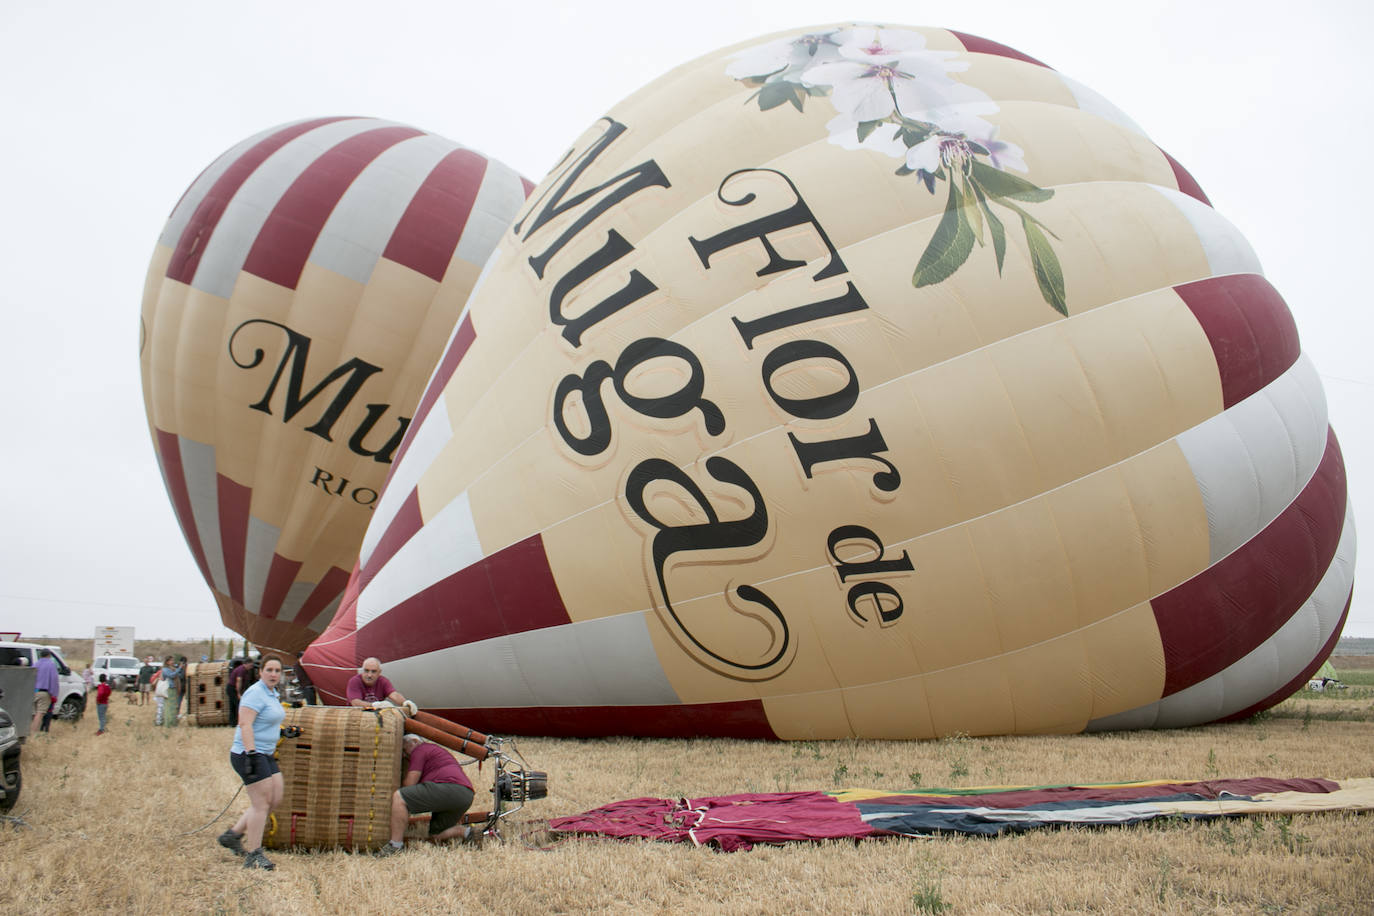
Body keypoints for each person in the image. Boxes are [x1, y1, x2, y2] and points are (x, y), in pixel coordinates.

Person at [217, 656, 287, 870]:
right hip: (249, 754)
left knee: (275, 798)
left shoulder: (272, 694)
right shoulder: (255, 693)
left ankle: (233, 835)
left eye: (277, 670)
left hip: (265, 753)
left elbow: (267, 722)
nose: (273, 674)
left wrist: (284, 732)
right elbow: (245, 724)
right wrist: (252, 754)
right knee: (261, 804)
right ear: (260, 672)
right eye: (269, 670)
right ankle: (254, 854)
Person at [374, 734, 478, 856]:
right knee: (437, 835)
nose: (403, 754)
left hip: (449, 788)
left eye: (404, 749)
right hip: (465, 795)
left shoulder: (420, 750)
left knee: (400, 797)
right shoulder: (434, 751)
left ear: (414, 741)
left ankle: (395, 845)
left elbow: (409, 784)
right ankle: (467, 833)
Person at [347, 658, 414, 713]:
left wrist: (405, 702)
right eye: (366, 671)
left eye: (373, 671)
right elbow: (355, 703)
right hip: (356, 716)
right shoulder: (354, 681)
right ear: (362, 670)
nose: (369, 675)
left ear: (379, 672)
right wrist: (375, 705)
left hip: (377, 717)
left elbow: (394, 695)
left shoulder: (383, 681)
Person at [31, 648, 59, 735]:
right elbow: (54, 679)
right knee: (40, 714)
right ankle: (33, 733)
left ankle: (30, 731)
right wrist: (54, 694)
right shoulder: (51, 664)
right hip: (44, 692)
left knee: (33, 714)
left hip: (33, 691)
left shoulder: (35, 664)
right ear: (49, 655)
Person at [227, 658, 253, 727]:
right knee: (239, 705)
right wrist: (238, 693)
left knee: (232, 706)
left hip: (231, 688)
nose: (251, 667)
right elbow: (239, 680)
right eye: (250, 665)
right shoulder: (242, 670)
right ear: (246, 664)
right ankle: (239, 722)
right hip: (232, 688)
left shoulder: (244, 670)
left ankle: (232, 723)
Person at [159, 656, 183, 728]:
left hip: (174, 688)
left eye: (172, 660)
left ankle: (173, 722)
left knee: (174, 707)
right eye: (171, 661)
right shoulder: (165, 669)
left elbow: (179, 675)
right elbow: (171, 676)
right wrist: (179, 669)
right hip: (169, 688)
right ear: (167, 662)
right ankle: (168, 723)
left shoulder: (172, 669)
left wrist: (179, 669)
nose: (172, 662)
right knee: (169, 707)